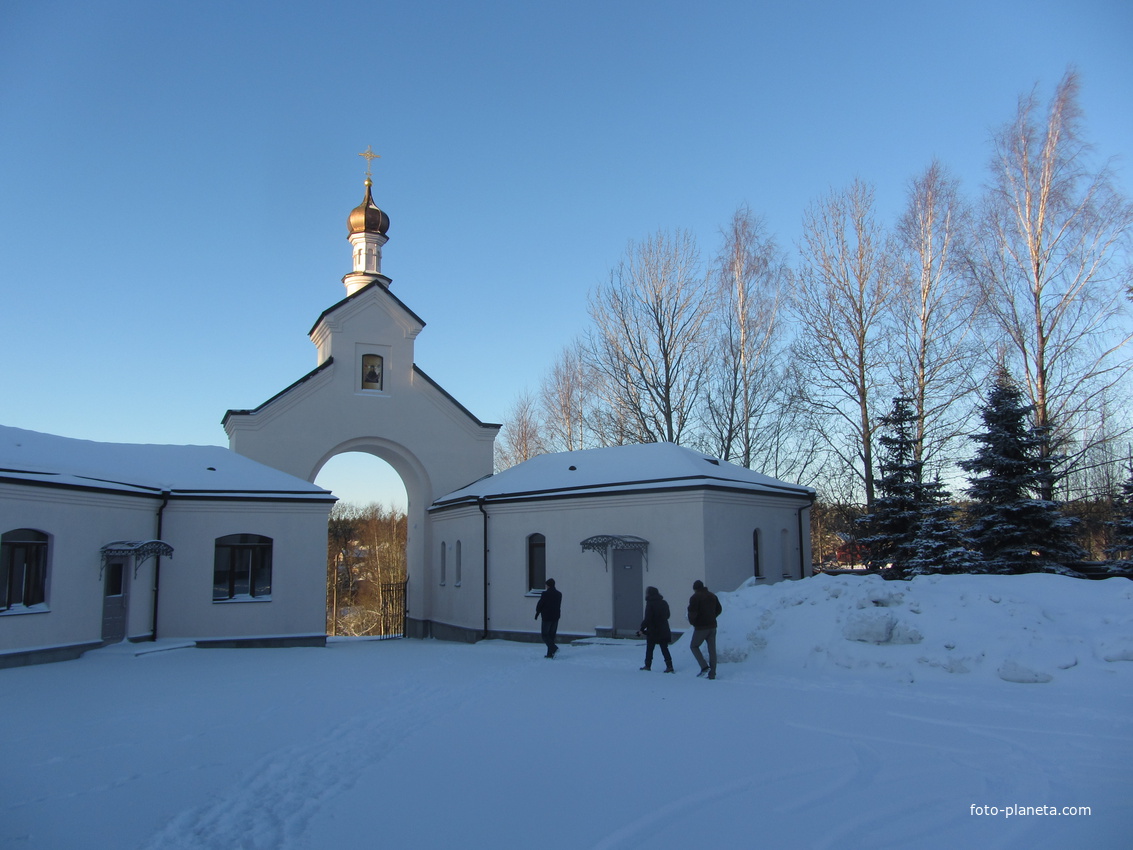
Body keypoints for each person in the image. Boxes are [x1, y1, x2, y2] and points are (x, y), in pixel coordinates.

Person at [687, 579, 722, 679]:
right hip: (712, 626)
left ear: (695, 589)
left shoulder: (695, 597)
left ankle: (704, 666)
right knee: (712, 650)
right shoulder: (712, 596)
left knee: (694, 646)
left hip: (701, 627)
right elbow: (719, 609)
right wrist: (712, 616)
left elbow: (692, 613)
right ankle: (712, 674)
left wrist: (693, 622)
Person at [637, 586, 674, 672]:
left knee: (650, 648)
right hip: (664, 629)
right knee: (664, 648)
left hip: (653, 630)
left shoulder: (650, 604)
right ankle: (669, 666)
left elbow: (648, 618)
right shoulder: (664, 603)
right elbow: (668, 615)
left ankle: (647, 665)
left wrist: (642, 629)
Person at [534, 578, 562, 658]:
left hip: (547, 617)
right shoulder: (559, 594)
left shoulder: (545, 594)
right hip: (556, 617)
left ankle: (554, 648)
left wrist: (537, 612)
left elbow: (540, 604)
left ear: (548, 585)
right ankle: (550, 654)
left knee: (545, 635)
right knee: (552, 635)